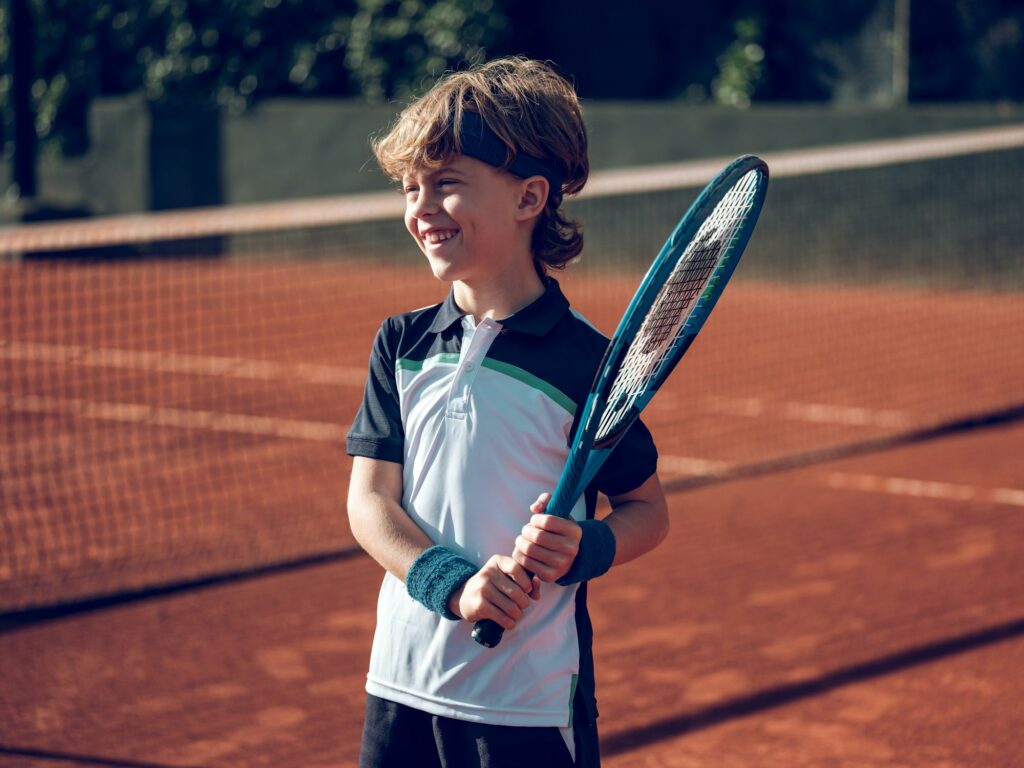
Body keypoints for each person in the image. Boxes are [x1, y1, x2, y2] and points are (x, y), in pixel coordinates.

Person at [346, 56, 669, 768]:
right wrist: (450, 585)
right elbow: (370, 504)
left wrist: (589, 547)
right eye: (411, 189)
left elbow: (647, 509)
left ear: (529, 199)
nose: (421, 208)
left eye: (448, 185)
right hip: (400, 683)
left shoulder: (591, 365)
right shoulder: (400, 345)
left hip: (527, 703)